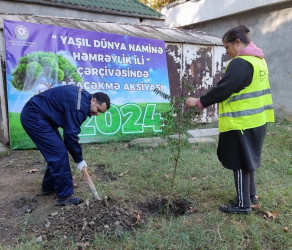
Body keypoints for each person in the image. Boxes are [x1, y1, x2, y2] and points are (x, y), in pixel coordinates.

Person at [186, 25, 274, 214]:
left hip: (241, 122)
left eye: (227, 47)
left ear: (238, 42)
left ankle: (243, 205)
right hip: (257, 120)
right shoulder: (259, 61)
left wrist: (199, 102)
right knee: (248, 159)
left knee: (239, 162)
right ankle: (250, 195)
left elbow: (224, 89)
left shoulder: (241, 62)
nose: (227, 52)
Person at [20, 85, 110, 206]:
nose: (98, 114)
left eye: (101, 112)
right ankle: (64, 196)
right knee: (58, 153)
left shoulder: (83, 101)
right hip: (34, 116)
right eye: (98, 110)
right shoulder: (80, 107)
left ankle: (49, 187)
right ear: (93, 99)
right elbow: (70, 136)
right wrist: (79, 160)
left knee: (57, 152)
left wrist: (78, 157)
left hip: (44, 118)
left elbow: (69, 131)